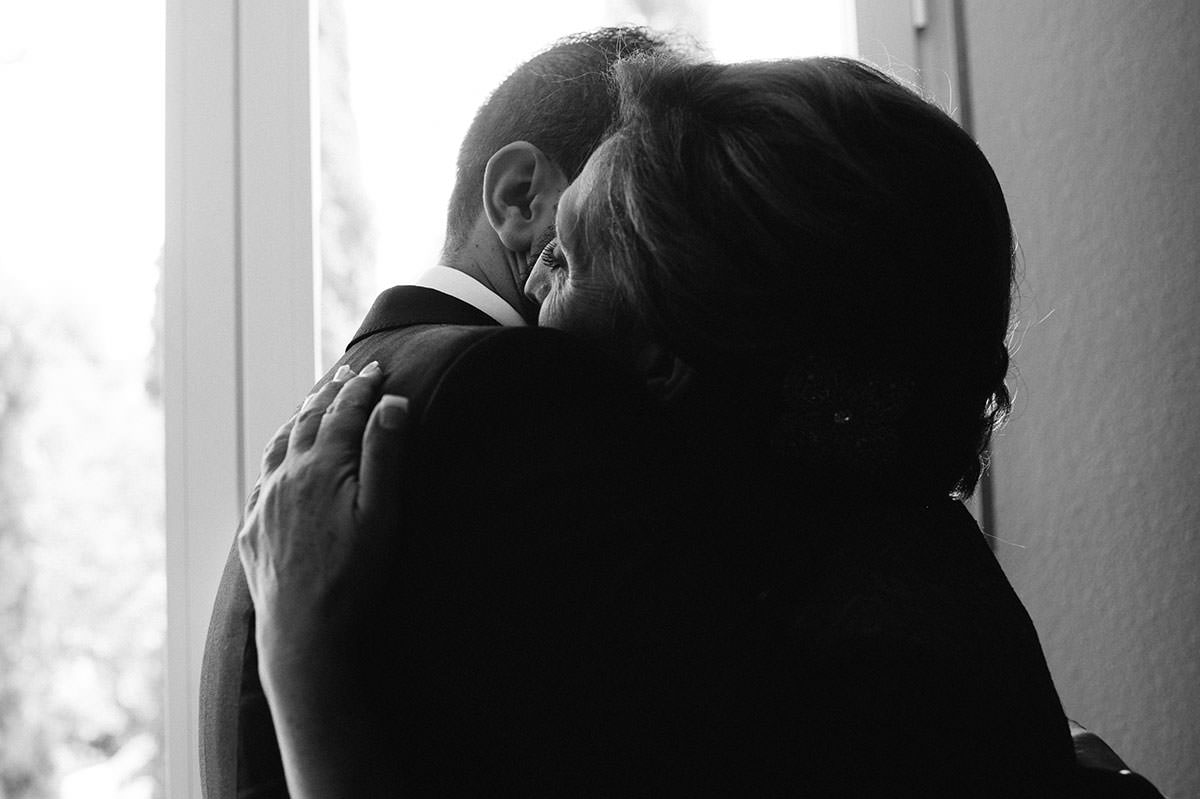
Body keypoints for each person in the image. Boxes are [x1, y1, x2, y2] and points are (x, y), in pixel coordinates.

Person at [241, 55, 1168, 796]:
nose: (529, 277)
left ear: (661, 353)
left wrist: (300, 661)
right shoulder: (813, 558)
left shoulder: (880, 662)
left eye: (568, 260)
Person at [198, 27, 688, 799]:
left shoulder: (360, 388)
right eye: (652, 207)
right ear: (523, 197)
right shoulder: (518, 392)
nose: (679, 262)